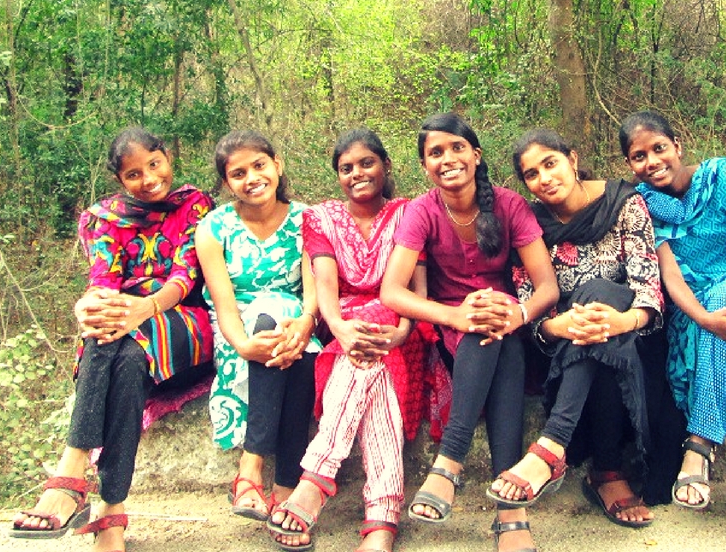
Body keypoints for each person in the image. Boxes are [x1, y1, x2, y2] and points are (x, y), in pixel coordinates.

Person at [10, 126, 215, 552]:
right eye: (134, 174)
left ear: (168, 159)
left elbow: (186, 274)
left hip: (183, 319)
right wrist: (88, 307)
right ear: (120, 180)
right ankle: (111, 511)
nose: (149, 178)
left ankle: (72, 473)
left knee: (125, 333)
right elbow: (103, 281)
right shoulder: (101, 218)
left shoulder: (193, 205)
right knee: (113, 344)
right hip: (125, 327)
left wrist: (145, 307)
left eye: (154, 165)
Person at [380, 113, 558, 552]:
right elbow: (392, 292)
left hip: (511, 323)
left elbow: (548, 287)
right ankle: (511, 514)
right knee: (486, 333)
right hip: (455, 331)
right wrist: (456, 315)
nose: (447, 159)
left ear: (475, 156)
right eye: (435, 153)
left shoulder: (508, 205)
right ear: (425, 166)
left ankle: (449, 464)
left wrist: (518, 313)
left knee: (501, 338)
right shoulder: (421, 212)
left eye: (457, 148)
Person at [620, 111, 726, 547]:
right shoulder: (643, 203)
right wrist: (706, 318)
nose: (652, 161)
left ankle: (700, 446)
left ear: (678, 143)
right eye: (639, 156)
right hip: (693, 312)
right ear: (630, 164)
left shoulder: (723, 175)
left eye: (658, 148)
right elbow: (670, 277)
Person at [268, 129, 436, 552]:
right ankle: (382, 519)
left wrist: (401, 331)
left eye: (367, 163)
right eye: (347, 168)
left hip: (402, 329)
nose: (357, 173)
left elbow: (418, 289)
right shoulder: (322, 219)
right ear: (338, 176)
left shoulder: (409, 214)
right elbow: (325, 285)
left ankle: (315, 479)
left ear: (386, 166)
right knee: (365, 349)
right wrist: (340, 328)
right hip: (343, 327)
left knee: (373, 333)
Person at [491, 130, 663, 529]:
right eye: (531, 174)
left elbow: (647, 289)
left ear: (572, 157)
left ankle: (551, 446)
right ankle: (605, 471)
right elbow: (530, 309)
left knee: (602, 295)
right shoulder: (528, 224)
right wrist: (559, 326)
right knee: (592, 330)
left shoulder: (624, 203)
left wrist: (622, 320)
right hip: (561, 345)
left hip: (629, 335)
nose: (545, 178)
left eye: (550, 163)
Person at [197, 131, 320, 530]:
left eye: (259, 166)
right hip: (237, 332)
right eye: (238, 173)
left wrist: (305, 324)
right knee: (274, 320)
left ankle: (265, 478)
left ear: (277, 165)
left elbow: (314, 288)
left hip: (298, 324)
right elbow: (223, 303)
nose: (251, 177)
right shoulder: (214, 228)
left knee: (303, 347)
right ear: (226, 182)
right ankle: (271, 480)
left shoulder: (308, 219)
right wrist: (245, 345)